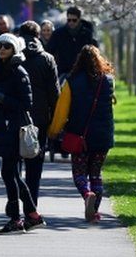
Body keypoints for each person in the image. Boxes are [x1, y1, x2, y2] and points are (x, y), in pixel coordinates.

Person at [0, 33, 45, 234]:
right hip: (3, 124)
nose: (1, 49)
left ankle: (16, 219)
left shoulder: (19, 71)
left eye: (6, 46)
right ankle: (32, 215)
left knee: (9, 172)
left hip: (16, 126)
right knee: (11, 173)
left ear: (14, 49)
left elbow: (26, 104)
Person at [48, 45, 115, 223]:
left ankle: (87, 195)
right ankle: (94, 212)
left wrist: (54, 131)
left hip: (79, 136)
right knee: (96, 174)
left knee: (79, 174)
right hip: (103, 136)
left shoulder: (71, 82)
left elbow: (62, 111)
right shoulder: (108, 81)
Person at [18, 21, 60, 205]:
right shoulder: (47, 59)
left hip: (16, 115)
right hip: (40, 117)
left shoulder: (13, 56)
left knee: (14, 162)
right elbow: (54, 92)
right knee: (35, 162)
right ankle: (31, 203)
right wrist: (56, 117)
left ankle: (16, 199)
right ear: (38, 36)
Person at [47, 7, 99, 75]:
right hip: (64, 72)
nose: (71, 22)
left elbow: (92, 53)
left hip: (82, 72)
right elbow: (50, 51)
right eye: (69, 20)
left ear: (79, 19)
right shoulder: (58, 34)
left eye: (74, 20)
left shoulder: (87, 34)